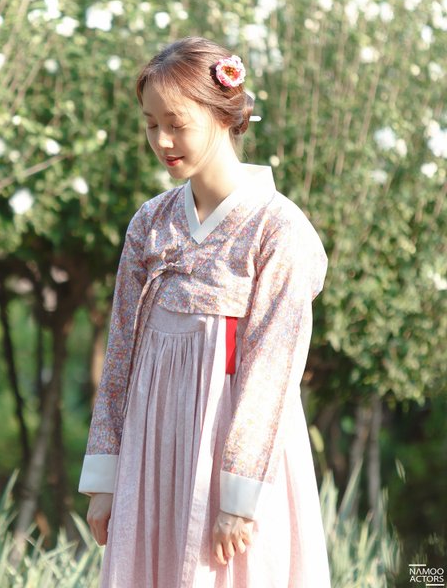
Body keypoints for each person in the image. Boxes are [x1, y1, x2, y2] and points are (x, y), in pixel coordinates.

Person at [78, 36, 331, 587]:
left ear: (222, 115)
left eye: (177, 124)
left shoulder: (278, 229)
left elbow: (272, 369)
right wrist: (106, 475)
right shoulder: (151, 223)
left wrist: (240, 495)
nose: (162, 141)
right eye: (151, 125)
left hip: (232, 449)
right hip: (152, 444)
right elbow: (121, 348)